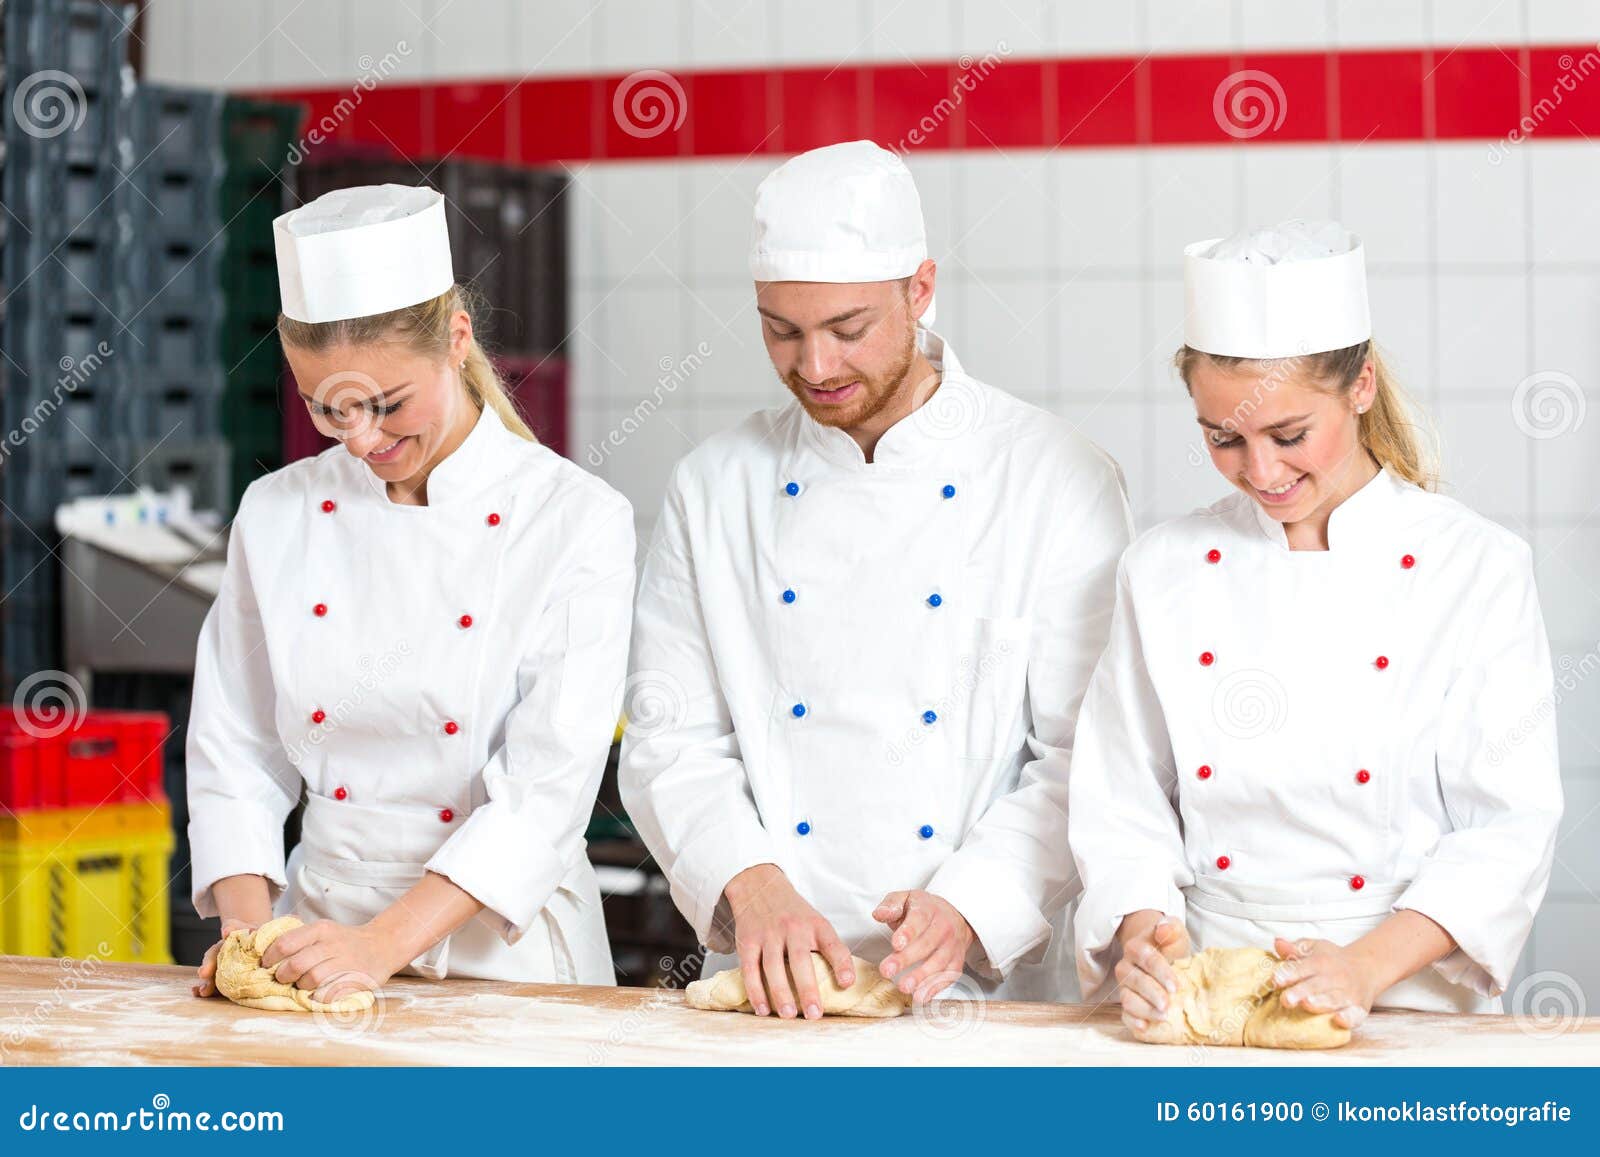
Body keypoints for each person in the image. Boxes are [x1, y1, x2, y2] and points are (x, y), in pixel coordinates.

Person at [619, 141, 1133, 1017]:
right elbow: (670, 736)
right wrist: (751, 881)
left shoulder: (1054, 477)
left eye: (848, 330)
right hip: (771, 983)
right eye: (782, 331)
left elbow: (1086, 752)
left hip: (982, 992)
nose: (815, 367)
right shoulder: (714, 485)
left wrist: (971, 903)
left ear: (920, 290)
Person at [1069, 219, 1563, 1031]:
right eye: (1224, 438)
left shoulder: (1475, 566)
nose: (1261, 471)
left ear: (1360, 386)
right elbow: (1121, 801)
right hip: (1205, 993)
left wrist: (1361, 968)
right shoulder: (1160, 569)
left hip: (1409, 995)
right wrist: (1145, 938)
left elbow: (1509, 827)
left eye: (1289, 434)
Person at [188, 184, 634, 1002]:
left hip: (508, 959)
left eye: (388, 404)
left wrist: (380, 945)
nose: (362, 439)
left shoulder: (574, 518)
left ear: (457, 340)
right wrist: (248, 934)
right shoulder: (277, 511)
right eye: (329, 409)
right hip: (315, 937)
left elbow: (545, 790)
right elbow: (235, 746)